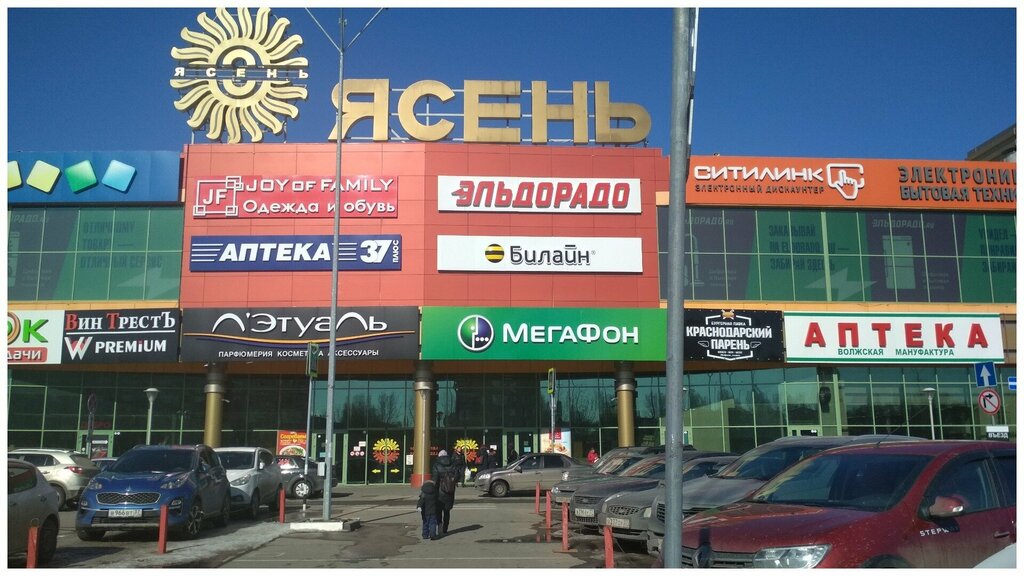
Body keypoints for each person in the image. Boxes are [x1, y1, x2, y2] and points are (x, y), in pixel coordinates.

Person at [431, 448, 465, 536]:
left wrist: (432, 490)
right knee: (447, 511)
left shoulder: (436, 465)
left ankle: (440, 528)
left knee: (438, 511)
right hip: (450, 490)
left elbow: (435, 480)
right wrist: (452, 481)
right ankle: (445, 529)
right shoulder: (453, 464)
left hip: (439, 491)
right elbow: (457, 476)